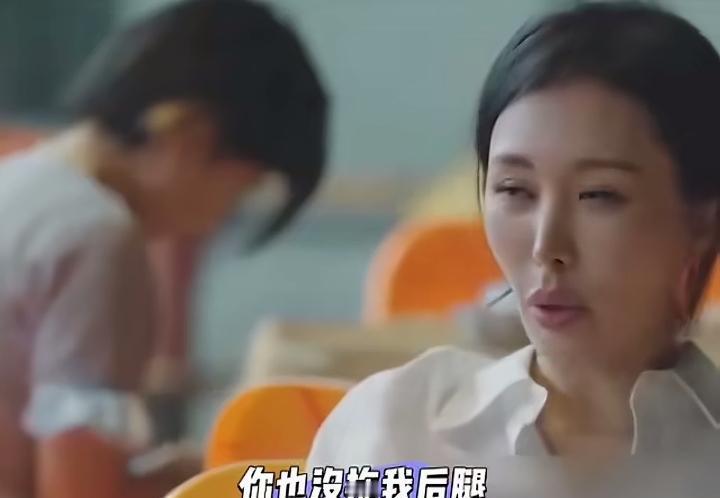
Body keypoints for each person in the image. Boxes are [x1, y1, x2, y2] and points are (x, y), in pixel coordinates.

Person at [307, 1, 720, 474]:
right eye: (515, 190)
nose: (547, 247)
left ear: (703, 220)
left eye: (599, 195)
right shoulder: (398, 428)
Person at [0, 0, 327, 497]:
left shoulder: (22, 182)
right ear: (190, 136)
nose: (221, 218)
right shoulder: (97, 237)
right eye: (241, 189)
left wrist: (191, 477)